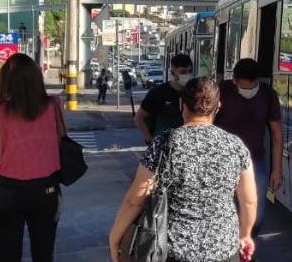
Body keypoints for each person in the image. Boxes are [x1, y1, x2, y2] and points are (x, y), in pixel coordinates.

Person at [109, 77, 257, 262]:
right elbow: (249, 201)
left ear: (181, 104)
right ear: (217, 106)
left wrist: (114, 238)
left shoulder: (164, 143)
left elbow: (135, 201)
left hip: (174, 252)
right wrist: (245, 235)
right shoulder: (235, 146)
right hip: (224, 250)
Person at [0, 53, 62, 262]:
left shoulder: (1, 111)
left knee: (8, 253)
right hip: (46, 190)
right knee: (44, 253)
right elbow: (57, 141)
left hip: (8, 192)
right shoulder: (54, 105)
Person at [214, 58, 282, 237]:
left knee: (256, 216)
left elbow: (276, 134)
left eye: (252, 87)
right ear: (234, 81)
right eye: (244, 88)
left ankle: (245, 246)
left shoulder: (268, 94)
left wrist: (277, 170)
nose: (249, 91)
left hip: (254, 162)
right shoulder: (223, 90)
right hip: (222, 161)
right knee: (223, 213)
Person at [134, 54, 192, 144]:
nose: (187, 75)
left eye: (189, 71)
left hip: (188, 145)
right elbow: (139, 118)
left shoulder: (195, 92)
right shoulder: (158, 93)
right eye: (183, 72)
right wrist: (149, 140)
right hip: (164, 146)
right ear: (173, 72)